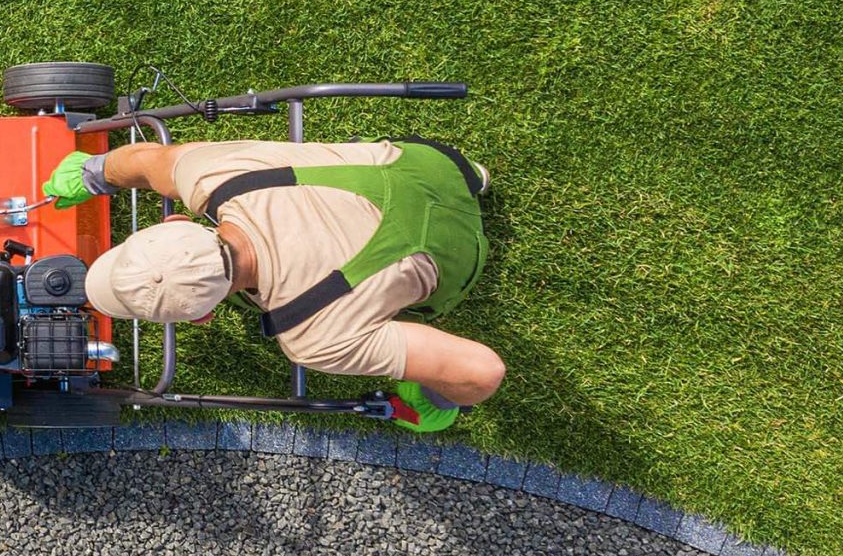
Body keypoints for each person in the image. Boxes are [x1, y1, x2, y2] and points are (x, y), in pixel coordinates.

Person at [41, 137, 502, 432]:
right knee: (436, 173)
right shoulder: (217, 175)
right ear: (178, 219)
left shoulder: (314, 336)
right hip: (436, 165)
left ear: (203, 315)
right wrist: (93, 172)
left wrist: (438, 397)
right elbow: (147, 160)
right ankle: (474, 179)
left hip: (461, 258)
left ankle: (435, 401)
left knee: (440, 387)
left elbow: (483, 371)